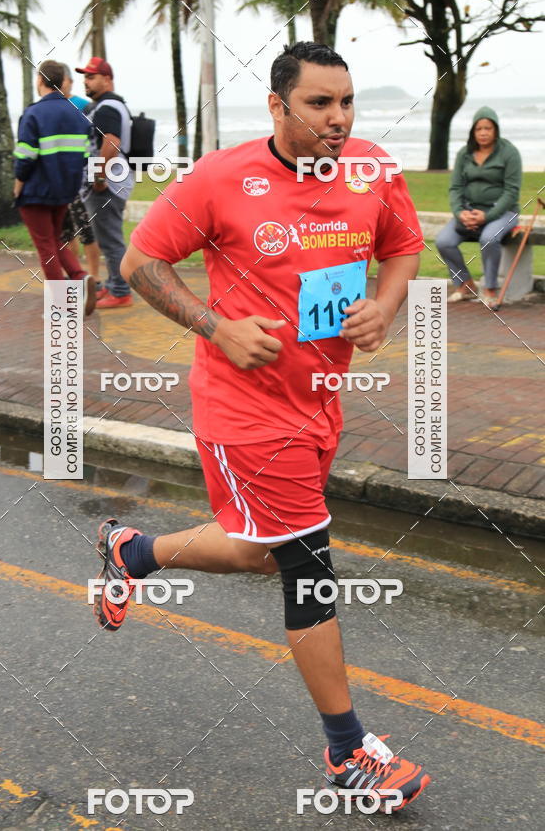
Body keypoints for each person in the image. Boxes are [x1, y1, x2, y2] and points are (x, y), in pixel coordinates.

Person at [93, 42, 431, 810]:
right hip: (245, 412)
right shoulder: (221, 179)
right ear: (277, 107)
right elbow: (143, 262)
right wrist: (215, 328)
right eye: (319, 104)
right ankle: (349, 753)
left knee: (257, 552)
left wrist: (384, 305)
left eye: (346, 102)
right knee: (308, 563)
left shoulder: (373, 170)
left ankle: (132, 551)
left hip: (321, 402)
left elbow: (404, 247)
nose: (338, 119)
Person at [13, 59, 96, 315]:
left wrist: (18, 185)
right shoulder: (77, 115)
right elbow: (84, 157)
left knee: (45, 246)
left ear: (40, 80)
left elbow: (25, 155)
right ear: (62, 82)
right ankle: (81, 277)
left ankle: (60, 304)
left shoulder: (33, 114)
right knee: (55, 240)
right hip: (64, 192)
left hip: (36, 191)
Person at [436, 106, 522, 308]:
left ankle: (490, 288)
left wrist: (487, 216)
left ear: (496, 130)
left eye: (488, 128)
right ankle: (465, 285)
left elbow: (511, 192)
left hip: (504, 212)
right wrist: (460, 213)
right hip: (470, 211)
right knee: (444, 241)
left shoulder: (509, 153)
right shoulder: (464, 154)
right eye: (479, 129)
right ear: (473, 132)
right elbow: (456, 187)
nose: (483, 133)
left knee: (488, 238)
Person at [76, 57, 134, 309]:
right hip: (112, 180)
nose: (86, 81)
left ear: (107, 79)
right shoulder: (108, 105)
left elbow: (111, 142)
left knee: (110, 240)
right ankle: (113, 285)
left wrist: (98, 178)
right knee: (108, 237)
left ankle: (121, 291)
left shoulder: (107, 107)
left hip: (107, 183)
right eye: (85, 77)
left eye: (91, 76)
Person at [59, 64, 102, 285]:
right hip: (58, 178)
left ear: (69, 81)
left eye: (62, 80)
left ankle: (94, 276)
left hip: (81, 176)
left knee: (87, 229)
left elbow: (97, 143)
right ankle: (74, 274)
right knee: (64, 232)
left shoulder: (84, 106)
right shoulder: (48, 107)